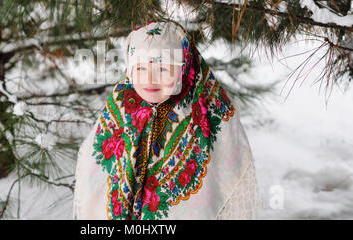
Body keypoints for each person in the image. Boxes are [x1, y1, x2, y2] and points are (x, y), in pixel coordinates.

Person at [73, 20, 260, 220]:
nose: (150, 80)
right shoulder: (121, 103)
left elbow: (227, 169)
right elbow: (95, 165)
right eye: (140, 69)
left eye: (162, 69)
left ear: (184, 68)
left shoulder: (204, 110)